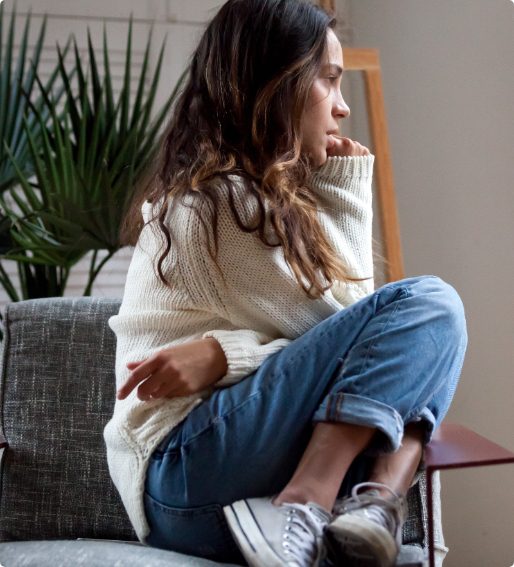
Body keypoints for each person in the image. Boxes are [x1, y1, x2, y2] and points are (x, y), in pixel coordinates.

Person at [104, 1, 467, 566]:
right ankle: (316, 498)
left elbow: (361, 344)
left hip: (218, 480)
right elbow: (354, 326)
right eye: (328, 80)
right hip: (187, 468)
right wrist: (347, 189)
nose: (343, 107)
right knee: (432, 306)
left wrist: (225, 355)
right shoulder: (216, 202)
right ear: (277, 83)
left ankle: (370, 511)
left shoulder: (267, 203)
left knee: (416, 357)